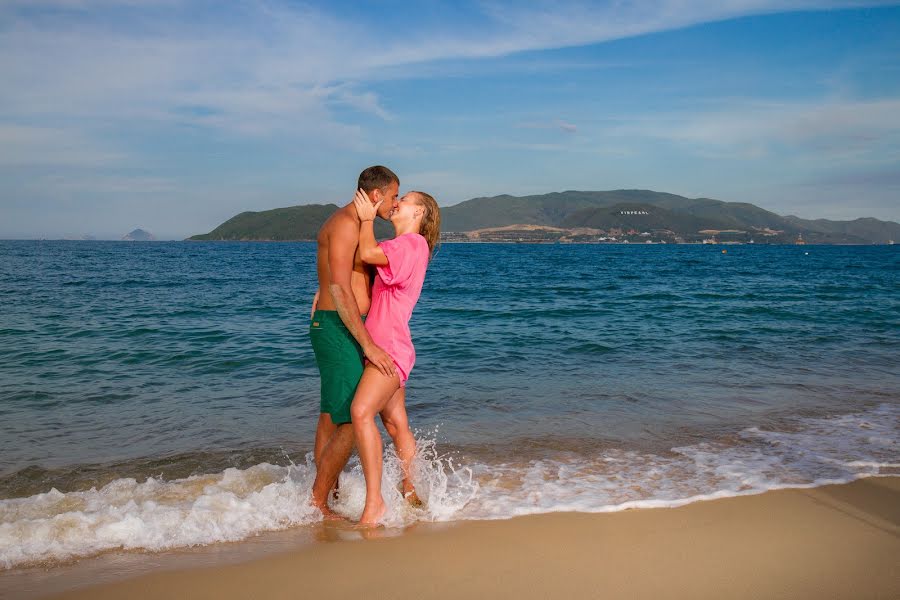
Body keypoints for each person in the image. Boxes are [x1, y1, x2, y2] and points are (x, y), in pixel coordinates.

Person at [309, 166, 400, 518]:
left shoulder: (353, 223)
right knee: (350, 419)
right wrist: (368, 345)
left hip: (336, 325)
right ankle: (317, 500)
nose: (394, 204)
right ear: (377, 195)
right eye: (393, 196)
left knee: (331, 417)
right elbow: (339, 289)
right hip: (338, 328)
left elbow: (337, 276)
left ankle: (325, 496)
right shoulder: (347, 222)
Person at [349, 187, 441, 526]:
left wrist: (367, 219)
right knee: (394, 422)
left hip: (387, 349)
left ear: (419, 214)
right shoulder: (409, 248)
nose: (398, 203)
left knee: (360, 412)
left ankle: (375, 504)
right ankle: (409, 488)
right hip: (394, 345)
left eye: (407, 200)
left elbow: (368, 253)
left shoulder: (410, 244)